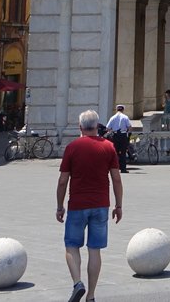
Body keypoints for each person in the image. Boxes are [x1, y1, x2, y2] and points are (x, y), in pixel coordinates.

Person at [56, 110, 122, 302]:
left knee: (71, 246)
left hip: (77, 205)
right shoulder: (109, 147)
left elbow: (62, 181)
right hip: (101, 205)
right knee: (95, 250)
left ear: (80, 127)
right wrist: (118, 205)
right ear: (97, 126)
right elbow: (116, 179)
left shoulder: (72, 147)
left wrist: (60, 207)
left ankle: (78, 283)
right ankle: (91, 296)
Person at [104, 105, 131, 173]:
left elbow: (107, 128)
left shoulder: (113, 117)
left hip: (115, 136)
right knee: (123, 152)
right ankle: (123, 169)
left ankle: (115, 168)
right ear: (123, 110)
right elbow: (130, 127)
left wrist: (112, 131)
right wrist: (127, 131)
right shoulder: (125, 117)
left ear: (116, 110)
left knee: (115, 152)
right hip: (123, 135)